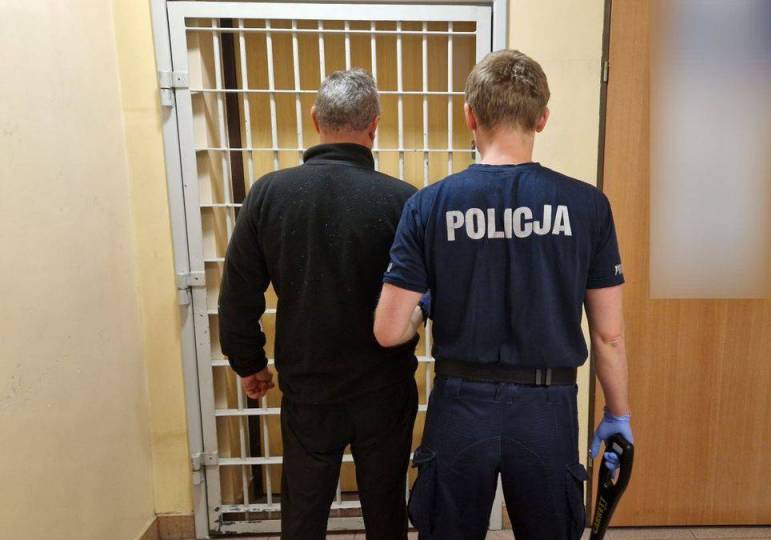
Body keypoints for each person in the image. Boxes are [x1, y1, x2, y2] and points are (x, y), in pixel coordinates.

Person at [373, 49, 632, 540]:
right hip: (548, 409)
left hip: (459, 406)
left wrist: (423, 310)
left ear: (470, 116)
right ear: (542, 118)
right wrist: (618, 414)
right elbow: (609, 335)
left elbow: (388, 332)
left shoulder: (428, 205)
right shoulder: (588, 206)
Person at [218, 69, 420, 540]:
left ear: (315, 119)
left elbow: (239, 292)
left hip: (309, 388)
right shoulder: (403, 201)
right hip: (385, 386)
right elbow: (428, 293)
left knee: (303, 514)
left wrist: (249, 362)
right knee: (386, 510)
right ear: (374, 125)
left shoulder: (269, 194)